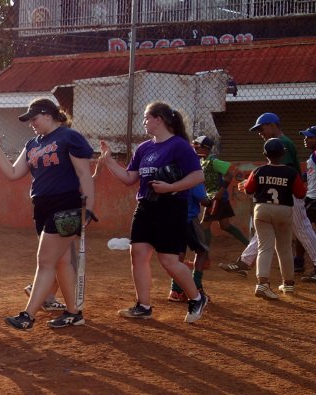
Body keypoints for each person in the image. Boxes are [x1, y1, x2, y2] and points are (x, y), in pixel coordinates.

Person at [0, 98, 96, 330]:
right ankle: (74, 313)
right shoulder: (32, 144)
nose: (31, 124)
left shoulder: (68, 137)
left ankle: (28, 315)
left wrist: (89, 208)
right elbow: (14, 173)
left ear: (48, 115)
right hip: (42, 207)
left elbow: (84, 173)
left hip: (65, 204)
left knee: (45, 261)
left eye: (34, 118)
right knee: (61, 262)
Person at [100, 101, 208, 323]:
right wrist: (109, 161)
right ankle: (143, 305)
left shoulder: (179, 145)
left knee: (168, 260)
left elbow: (198, 176)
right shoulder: (144, 148)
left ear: (159, 119)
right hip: (146, 206)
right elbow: (130, 179)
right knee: (138, 253)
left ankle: (196, 298)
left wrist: (170, 187)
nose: (144, 122)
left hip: (171, 207)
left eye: (147, 118)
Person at [219, 113, 316, 279]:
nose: (259, 133)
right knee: (265, 230)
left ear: (272, 125)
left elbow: (281, 172)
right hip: (285, 196)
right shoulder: (281, 143)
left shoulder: (282, 143)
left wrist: (258, 182)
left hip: (289, 195)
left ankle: (245, 262)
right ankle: (244, 262)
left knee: (303, 231)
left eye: (261, 128)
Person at [243, 138, 306, 298]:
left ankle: (262, 284)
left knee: (265, 247)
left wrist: (244, 185)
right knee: (284, 248)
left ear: (265, 154)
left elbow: (249, 190)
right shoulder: (291, 172)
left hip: (262, 210)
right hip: (284, 210)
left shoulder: (259, 170)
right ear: (283, 153)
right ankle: (288, 284)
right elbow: (300, 194)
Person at [194, 136, 249, 252]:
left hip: (216, 199)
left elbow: (229, 173)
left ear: (205, 148)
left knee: (204, 226)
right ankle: (249, 246)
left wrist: (221, 191)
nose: (195, 148)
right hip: (216, 198)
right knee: (225, 225)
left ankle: (204, 255)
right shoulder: (203, 161)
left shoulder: (214, 161)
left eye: (197, 146)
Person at [167, 182, 210, 302]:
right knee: (202, 251)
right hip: (190, 219)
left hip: (173, 220)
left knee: (179, 253)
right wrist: (211, 199)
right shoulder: (193, 175)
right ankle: (196, 286)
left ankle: (175, 290)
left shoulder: (171, 174)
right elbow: (203, 200)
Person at [302, 125, 316, 282]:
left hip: (314, 199)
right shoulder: (313, 155)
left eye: (310, 136)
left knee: (308, 233)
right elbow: (310, 174)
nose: (306, 139)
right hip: (310, 198)